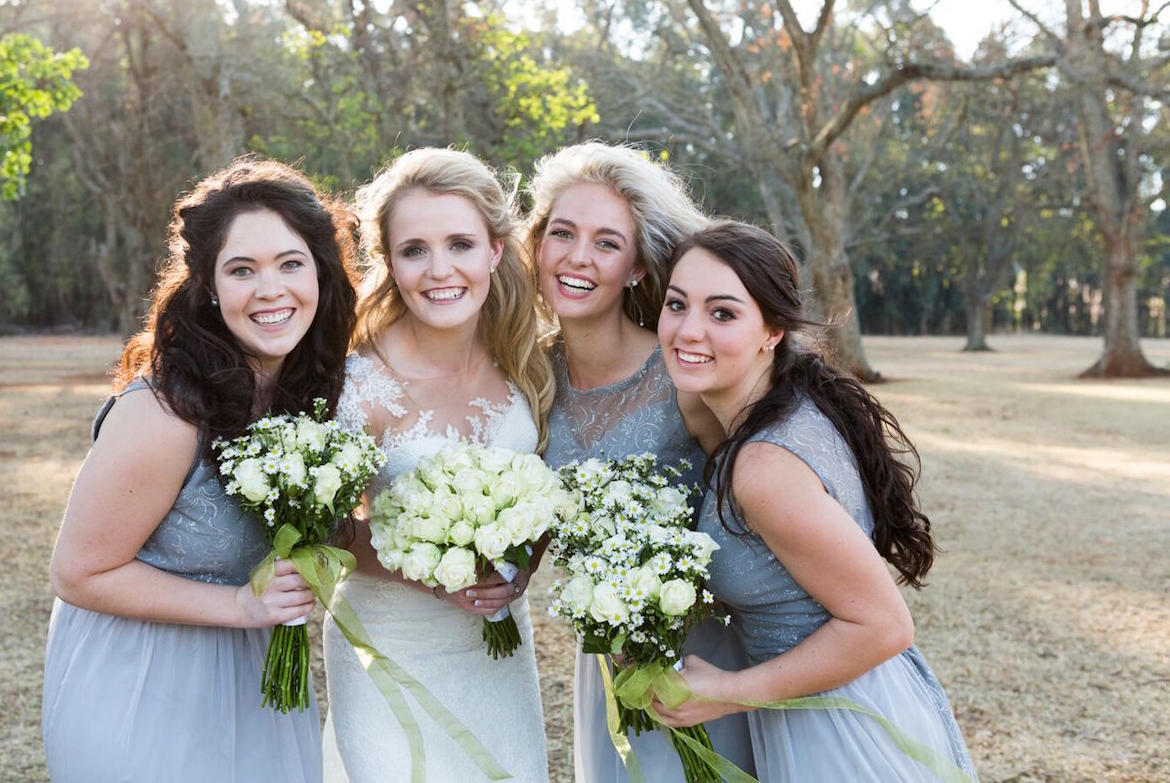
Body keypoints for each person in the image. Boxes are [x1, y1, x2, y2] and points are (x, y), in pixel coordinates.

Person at [42, 157, 357, 782]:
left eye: (290, 264)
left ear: (321, 274)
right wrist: (241, 605)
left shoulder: (313, 397)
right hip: (140, 680)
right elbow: (78, 573)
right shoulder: (164, 411)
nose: (271, 290)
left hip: (254, 675)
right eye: (242, 270)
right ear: (209, 287)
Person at [653, 220, 978, 781]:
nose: (688, 330)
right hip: (834, 705)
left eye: (722, 313)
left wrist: (729, 693)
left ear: (772, 331)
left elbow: (884, 626)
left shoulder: (764, 468)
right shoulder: (779, 405)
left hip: (840, 729)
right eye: (677, 304)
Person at [319, 148, 554, 783]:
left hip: (498, 650)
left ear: (495, 251)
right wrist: (426, 568)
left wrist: (522, 566)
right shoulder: (359, 385)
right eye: (415, 250)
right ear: (389, 263)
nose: (440, 269)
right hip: (388, 643)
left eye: (460, 244)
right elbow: (324, 531)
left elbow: (544, 500)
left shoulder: (527, 364)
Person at [526, 142, 756, 782]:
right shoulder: (530, 377)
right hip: (607, 664)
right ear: (538, 246)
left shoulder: (682, 369)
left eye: (606, 243)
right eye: (562, 234)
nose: (577, 257)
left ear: (636, 267)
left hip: (706, 660)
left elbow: (754, 509)